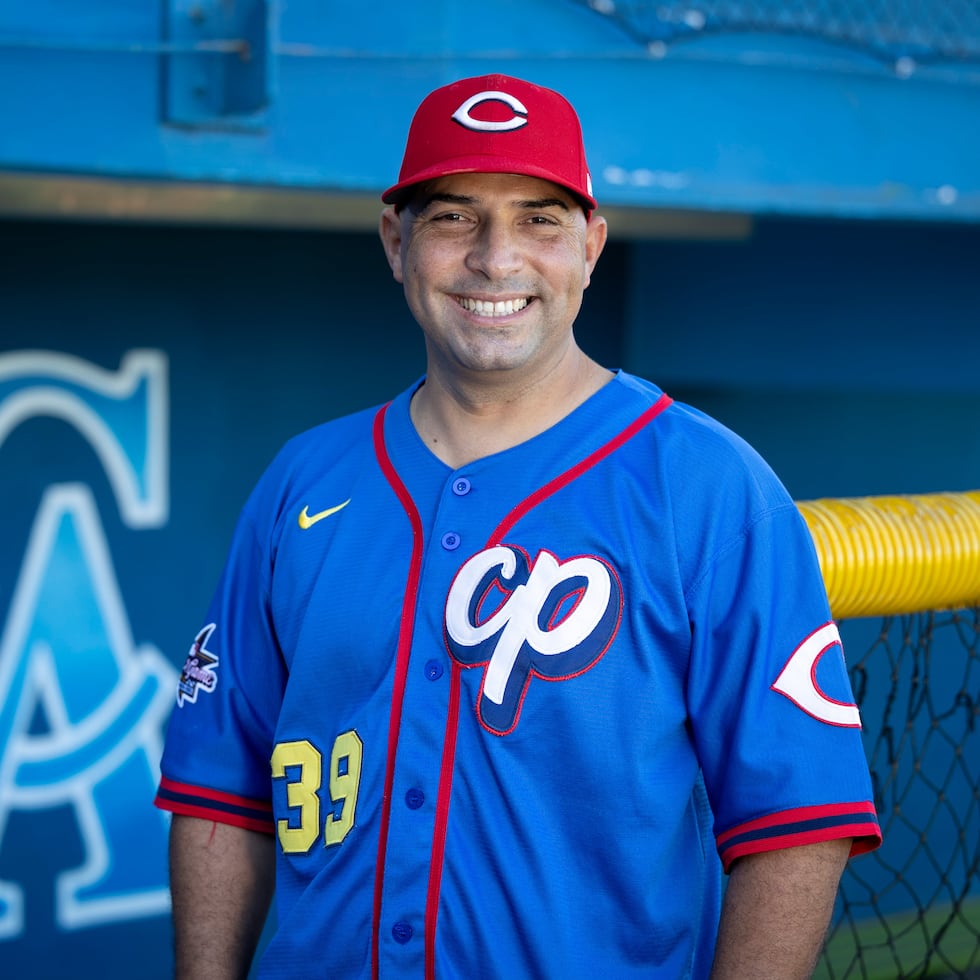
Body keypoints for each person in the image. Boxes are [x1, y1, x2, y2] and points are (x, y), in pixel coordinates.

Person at [155, 73, 881, 979]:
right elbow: (220, 792)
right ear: (396, 242)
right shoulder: (302, 483)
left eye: (539, 219)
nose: (496, 259)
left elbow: (796, 826)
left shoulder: (708, 486)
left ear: (591, 246)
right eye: (454, 217)